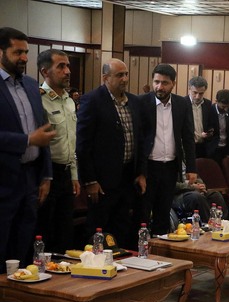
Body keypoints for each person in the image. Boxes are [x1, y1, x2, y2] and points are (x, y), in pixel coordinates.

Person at [0, 27, 56, 302]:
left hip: (30, 178)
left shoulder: (32, 86)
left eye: (26, 52)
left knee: (22, 243)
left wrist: (46, 175)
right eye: (17, 52)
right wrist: (25, 141)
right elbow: (32, 137)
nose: (24, 57)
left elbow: (43, 132)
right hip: (3, 181)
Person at [76, 58, 146, 250]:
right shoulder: (92, 100)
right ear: (105, 78)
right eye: (119, 75)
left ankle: (121, 263)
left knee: (122, 226)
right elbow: (83, 144)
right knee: (98, 229)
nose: (125, 79)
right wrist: (90, 180)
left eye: (126, 74)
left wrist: (141, 172)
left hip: (128, 177)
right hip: (102, 180)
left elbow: (139, 139)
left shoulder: (134, 102)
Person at [138, 63, 197, 235]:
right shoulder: (141, 102)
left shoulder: (182, 104)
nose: (159, 87)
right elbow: (138, 140)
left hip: (170, 167)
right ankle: (141, 247)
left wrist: (192, 167)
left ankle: (160, 247)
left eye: (164, 83)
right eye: (156, 82)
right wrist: (139, 171)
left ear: (173, 84)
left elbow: (188, 137)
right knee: (142, 213)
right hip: (148, 167)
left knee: (163, 213)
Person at [36, 49, 80, 254]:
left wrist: (74, 175)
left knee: (65, 232)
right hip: (47, 173)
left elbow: (72, 142)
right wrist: (44, 177)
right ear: (45, 72)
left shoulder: (69, 100)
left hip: (66, 172)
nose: (67, 71)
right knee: (44, 231)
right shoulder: (39, 99)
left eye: (68, 66)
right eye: (61, 66)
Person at [202, 89, 229, 162]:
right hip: (212, 149)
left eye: (228, 106)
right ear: (216, 101)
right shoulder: (209, 111)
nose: (226, 109)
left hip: (226, 149)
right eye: (223, 107)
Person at [188, 76, 212, 157]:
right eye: (195, 92)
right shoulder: (182, 103)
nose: (197, 96)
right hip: (188, 145)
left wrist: (209, 132)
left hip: (203, 146)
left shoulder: (208, 104)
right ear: (189, 89)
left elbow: (210, 123)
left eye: (201, 93)